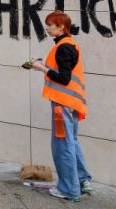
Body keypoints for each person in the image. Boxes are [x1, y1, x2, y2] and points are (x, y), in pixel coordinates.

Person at [30, 11, 92, 201]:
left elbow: (64, 78)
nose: (47, 28)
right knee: (72, 142)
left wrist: (42, 68)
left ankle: (68, 190)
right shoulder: (70, 44)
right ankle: (82, 181)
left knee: (62, 145)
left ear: (61, 27)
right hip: (72, 103)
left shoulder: (63, 47)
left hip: (62, 104)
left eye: (50, 25)